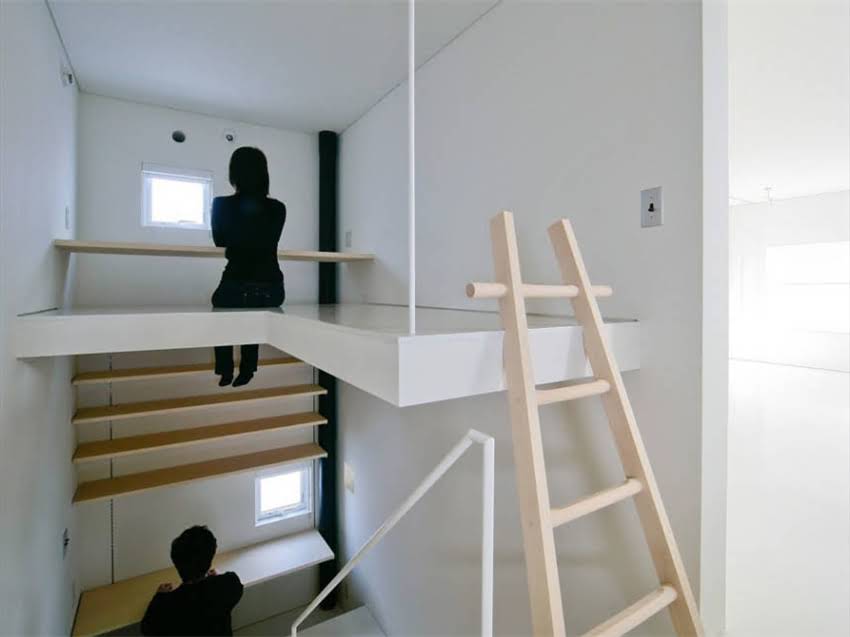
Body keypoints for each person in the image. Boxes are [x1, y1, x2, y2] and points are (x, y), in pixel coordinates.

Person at [211, 146, 286, 387]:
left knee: (222, 309)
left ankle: (225, 368)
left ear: (234, 174)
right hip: (272, 288)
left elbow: (219, 241)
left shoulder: (221, 204)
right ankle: (248, 369)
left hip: (237, 282)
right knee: (253, 312)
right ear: (264, 173)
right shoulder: (278, 208)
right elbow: (268, 239)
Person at [141, 526, 243, 636]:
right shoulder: (227, 584)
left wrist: (159, 596)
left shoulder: (167, 605)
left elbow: (147, 629)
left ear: (176, 561)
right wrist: (214, 578)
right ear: (210, 559)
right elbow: (235, 589)